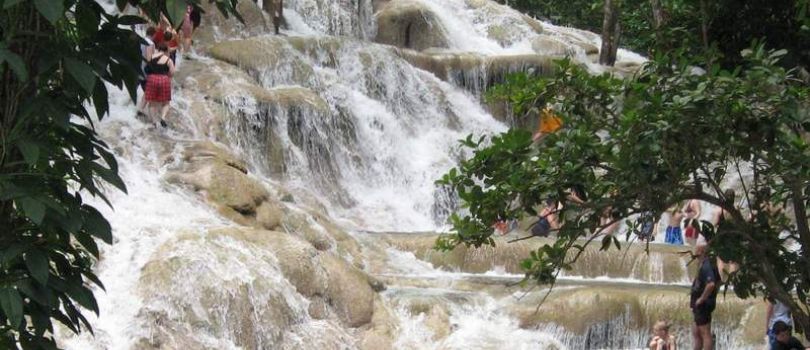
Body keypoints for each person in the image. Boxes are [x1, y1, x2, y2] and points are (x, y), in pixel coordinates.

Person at [691, 243, 720, 350]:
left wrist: (702, 298)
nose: (694, 250)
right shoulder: (704, 264)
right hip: (700, 304)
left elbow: (711, 284)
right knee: (696, 331)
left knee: (705, 332)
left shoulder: (707, 265)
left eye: (696, 249)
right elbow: (719, 281)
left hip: (703, 304)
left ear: (701, 251)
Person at [144, 43, 176, 128]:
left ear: (158, 49)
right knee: (166, 102)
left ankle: (154, 122)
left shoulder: (152, 57)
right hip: (164, 79)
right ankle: (163, 118)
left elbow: (146, 69)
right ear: (166, 51)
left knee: (152, 102)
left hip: (152, 79)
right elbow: (172, 72)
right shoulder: (168, 60)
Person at [711, 188, 740, 279]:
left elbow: (714, 224)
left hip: (722, 237)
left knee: (720, 259)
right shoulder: (736, 210)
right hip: (734, 237)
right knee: (733, 261)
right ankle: (733, 281)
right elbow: (740, 223)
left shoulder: (720, 210)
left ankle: (723, 279)